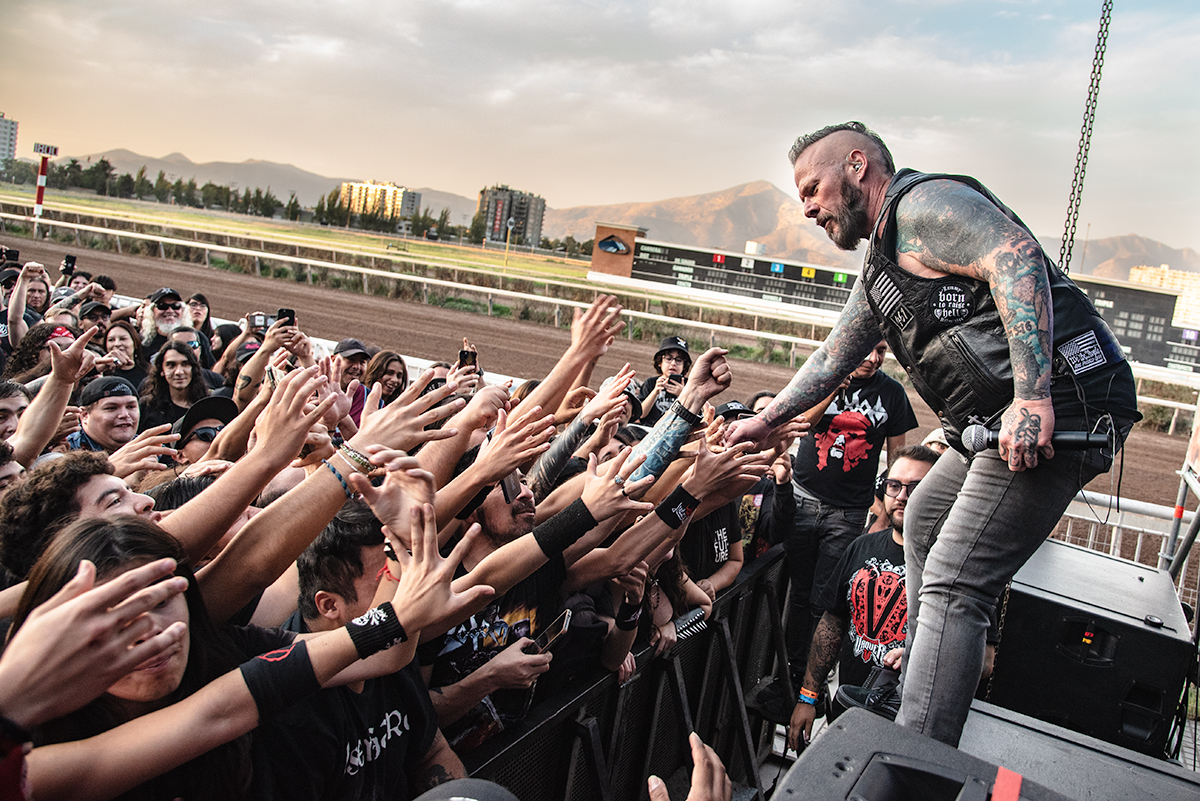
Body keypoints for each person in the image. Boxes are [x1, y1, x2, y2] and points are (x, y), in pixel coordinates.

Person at [727, 121, 1139, 747]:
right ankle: (918, 671)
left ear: (857, 167)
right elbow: (833, 358)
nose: (807, 207)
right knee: (922, 516)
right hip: (995, 418)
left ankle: (914, 751)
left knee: (953, 578)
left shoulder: (923, 205)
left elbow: (1016, 258)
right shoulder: (883, 267)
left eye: (812, 188)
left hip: (1061, 404)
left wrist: (1032, 396)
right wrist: (766, 419)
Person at [782, 338, 917, 695]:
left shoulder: (892, 393)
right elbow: (803, 424)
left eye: (882, 351)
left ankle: (813, 683)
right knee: (797, 591)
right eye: (867, 349)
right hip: (804, 498)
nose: (873, 359)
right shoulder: (822, 377)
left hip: (849, 512)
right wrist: (831, 388)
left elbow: (899, 455)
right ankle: (790, 673)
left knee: (825, 600)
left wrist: (885, 509)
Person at [786, 445, 938, 748]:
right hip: (849, 710)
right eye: (894, 485)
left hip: (912, 724)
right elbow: (833, 623)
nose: (902, 496)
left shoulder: (955, 563)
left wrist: (918, 656)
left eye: (915, 487)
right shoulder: (861, 547)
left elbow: (984, 661)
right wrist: (808, 697)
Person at [140, 342, 209, 431]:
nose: (179, 372)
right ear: (162, 370)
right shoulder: (146, 406)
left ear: (193, 369)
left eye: (185, 364)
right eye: (171, 365)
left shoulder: (206, 406)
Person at [66, 376, 141, 454]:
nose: (124, 415)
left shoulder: (147, 448)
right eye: (111, 408)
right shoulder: (66, 450)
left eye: (131, 407)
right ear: (85, 415)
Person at [637, 335, 691, 426]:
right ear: (659, 362)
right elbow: (640, 415)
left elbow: (698, 415)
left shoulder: (689, 385)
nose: (673, 363)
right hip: (650, 430)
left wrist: (683, 395)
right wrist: (654, 392)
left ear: (684, 365)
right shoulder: (651, 383)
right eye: (668, 359)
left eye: (679, 360)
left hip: (678, 431)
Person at [102, 319, 150, 392]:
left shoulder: (149, 372)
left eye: (123, 339)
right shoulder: (101, 374)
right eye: (111, 340)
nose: (116, 344)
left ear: (135, 343)